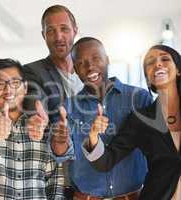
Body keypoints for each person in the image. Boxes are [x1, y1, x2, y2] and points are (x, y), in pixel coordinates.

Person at [51, 37, 152, 200]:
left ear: (107, 59)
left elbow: (157, 150)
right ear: (75, 69)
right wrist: (60, 142)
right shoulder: (67, 108)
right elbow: (61, 155)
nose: (90, 66)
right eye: (81, 63)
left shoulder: (139, 98)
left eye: (96, 58)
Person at [84, 44, 181, 200]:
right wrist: (94, 136)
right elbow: (106, 161)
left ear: (178, 69)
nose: (157, 64)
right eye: (150, 62)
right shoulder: (141, 120)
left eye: (165, 59)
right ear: (148, 78)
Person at [0, 58, 65, 200]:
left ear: (25, 87)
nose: (8, 90)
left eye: (15, 83)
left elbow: (55, 181)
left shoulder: (40, 125)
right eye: (0, 84)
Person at [24, 4, 83, 121]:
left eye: (64, 29)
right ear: (43, 35)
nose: (58, 37)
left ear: (75, 31)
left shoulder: (88, 70)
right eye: (51, 31)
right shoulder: (32, 71)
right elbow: (35, 97)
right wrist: (37, 116)